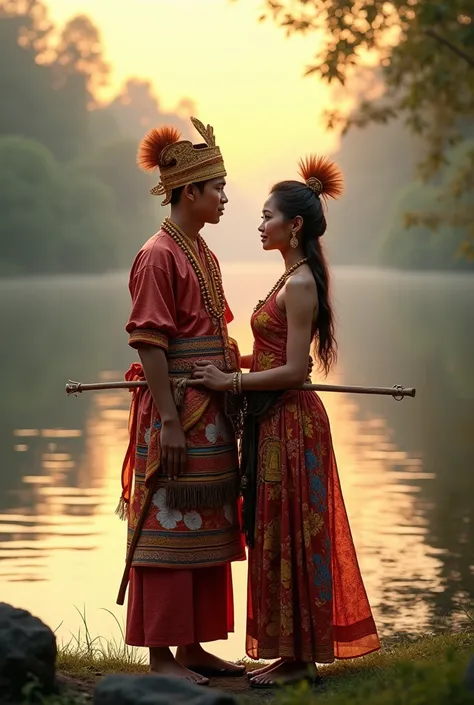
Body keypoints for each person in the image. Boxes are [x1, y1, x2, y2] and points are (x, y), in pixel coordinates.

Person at [190, 155, 381, 689]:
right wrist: (231, 366)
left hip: (292, 425)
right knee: (274, 529)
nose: (260, 224)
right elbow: (274, 359)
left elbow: (295, 371)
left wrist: (230, 383)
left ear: (294, 226)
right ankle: (289, 652)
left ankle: (301, 660)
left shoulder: (299, 286)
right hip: (273, 421)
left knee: (294, 530)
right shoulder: (291, 277)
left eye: (267, 216)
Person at [117, 116, 246, 685]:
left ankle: (192, 647)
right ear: (188, 191)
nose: (223, 198)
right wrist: (169, 422)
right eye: (216, 188)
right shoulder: (157, 254)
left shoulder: (202, 252)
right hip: (178, 413)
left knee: (206, 526)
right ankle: (161, 659)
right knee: (166, 526)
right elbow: (149, 341)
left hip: (210, 413)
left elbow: (212, 332)